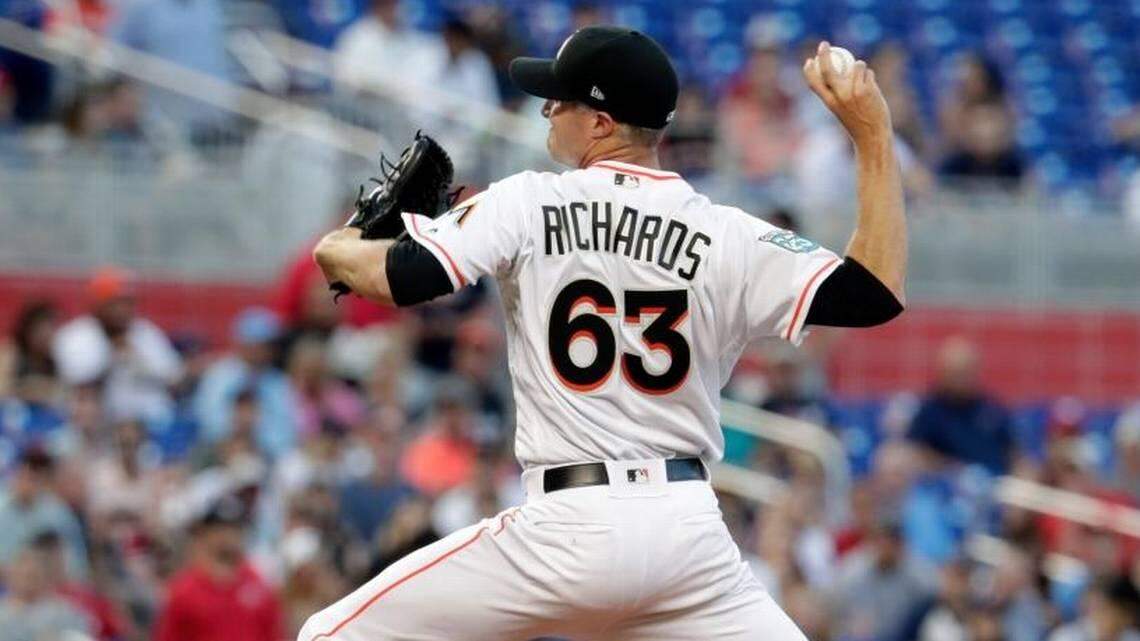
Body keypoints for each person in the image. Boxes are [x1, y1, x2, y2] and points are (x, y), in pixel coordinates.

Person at [306, 27, 906, 640]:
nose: (546, 108)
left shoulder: (527, 202)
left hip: (567, 529)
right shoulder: (727, 233)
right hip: (687, 541)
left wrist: (340, 245)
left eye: (561, 100)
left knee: (329, 635)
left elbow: (404, 278)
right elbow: (873, 292)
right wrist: (873, 135)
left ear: (600, 123)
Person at [52, 267, 183, 427]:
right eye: (115, 303)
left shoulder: (145, 333)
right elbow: (77, 377)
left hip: (149, 422)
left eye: (127, 303)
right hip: (95, 424)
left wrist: (136, 359)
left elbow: (173, 376)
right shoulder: (76, 335)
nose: (123, 310)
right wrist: (112, 352)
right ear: (98, 304)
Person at [153, 498, 284, 641]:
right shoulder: (184, 590)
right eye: (220, 528)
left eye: (234, 528)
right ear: (205, 533)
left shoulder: (259, 584)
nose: (228, 536)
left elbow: (274, 633)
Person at [907, 336, 1015, 475]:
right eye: (954, 373)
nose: (960, 379)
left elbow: (1013, 450)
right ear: (942, 373)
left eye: (965, 372)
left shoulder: (993, 409)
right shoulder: (929, 411)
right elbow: (914, 451)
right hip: (950, 486)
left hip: (998, 485)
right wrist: (951, 468)